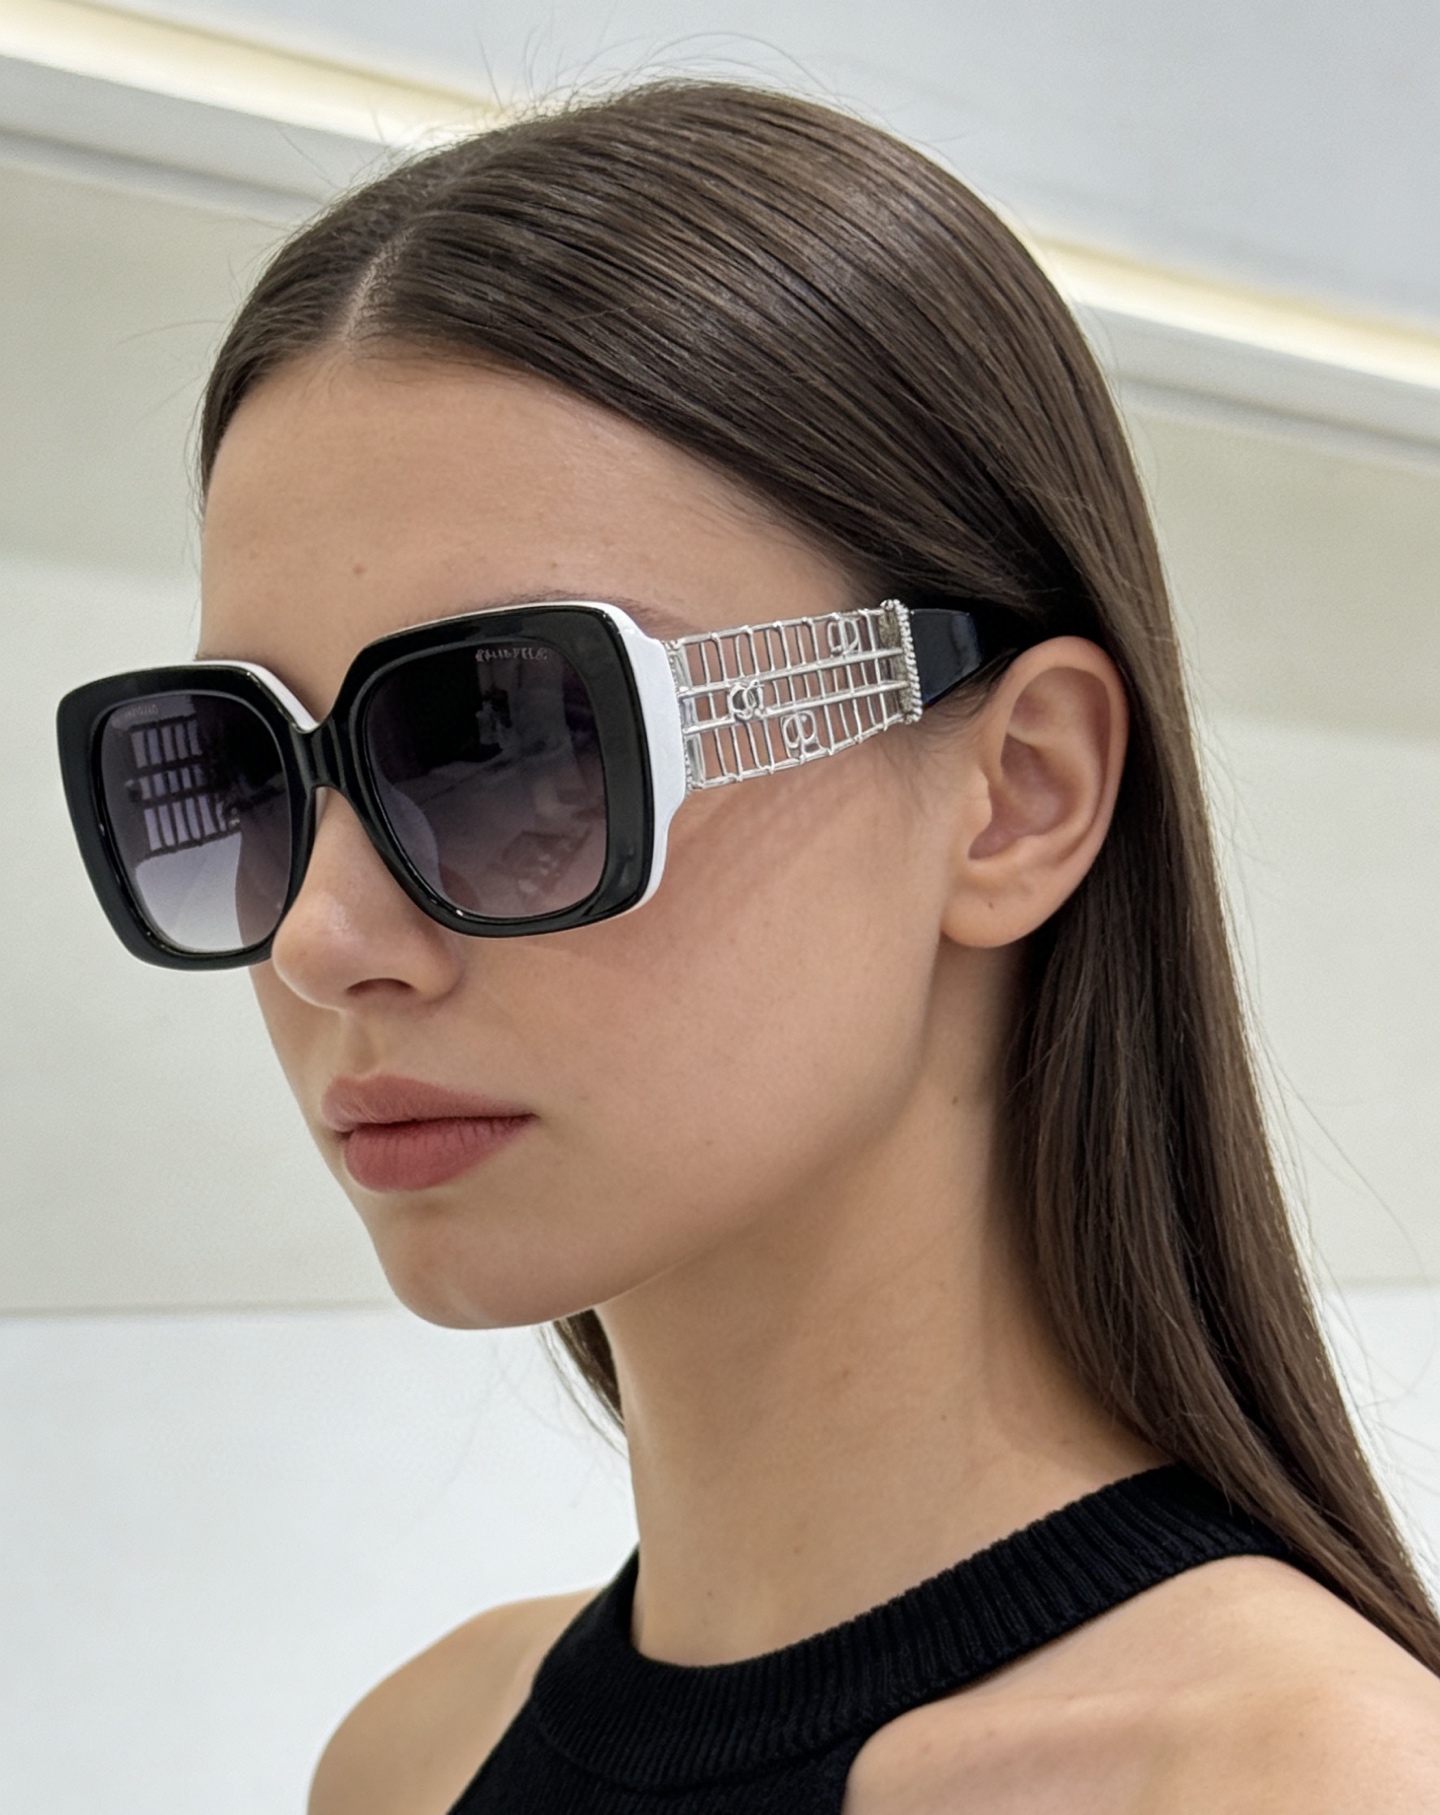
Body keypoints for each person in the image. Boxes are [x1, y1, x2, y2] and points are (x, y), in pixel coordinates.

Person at [56, 81, 1440, 1813]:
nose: (324, 937)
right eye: (240, 767)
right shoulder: (409, 1761)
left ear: (1018, 794)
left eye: (508, 740)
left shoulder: (1304, 1782)